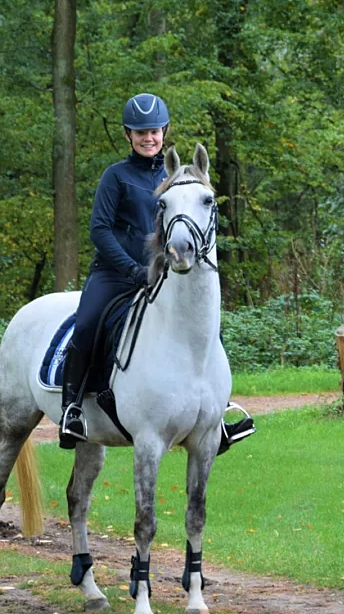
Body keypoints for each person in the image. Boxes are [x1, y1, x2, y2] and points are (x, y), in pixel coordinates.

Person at [59, 93, 255, 449]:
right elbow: (99, 230)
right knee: (87, 324)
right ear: (127, 135)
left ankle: (217, 414)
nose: (147, 138)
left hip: (164, 276)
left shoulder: (180, 178)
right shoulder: (115, 176)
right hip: (116, 274)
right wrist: (131, 269)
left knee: (204, 327)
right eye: (139, 132)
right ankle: (72, 408)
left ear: (164, 132)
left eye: (154, 131)